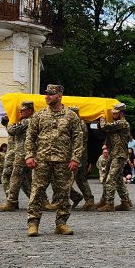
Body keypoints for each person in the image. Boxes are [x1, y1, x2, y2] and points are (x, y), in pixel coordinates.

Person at [24, 84, 86, 236]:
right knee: (37, 191)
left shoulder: (71, 116)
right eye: (46, 94)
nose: (47, 96)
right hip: (42, 160)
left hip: (63, 161)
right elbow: (30, 137)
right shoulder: (39, 115)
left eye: (51, 94)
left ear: (59, 96)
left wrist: (75, 158)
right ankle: (33, 223)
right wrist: (29, 155)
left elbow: (78, 138)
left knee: (63, 193)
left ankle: (61, 223)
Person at [0, 101, 35, 211]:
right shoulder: (25, 120)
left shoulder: (28, 120)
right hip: (22, 153)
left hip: (23, 154)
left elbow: (12, 130)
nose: (20, 111)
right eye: (20, 109)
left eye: (23, 109)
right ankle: (38, 201)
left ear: (30, 110)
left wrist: (9, 122)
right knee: (25, 179)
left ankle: (12, 202)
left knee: (15, 177)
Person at [96, 103, 133, 211]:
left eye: (115, 113)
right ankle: (125, 202)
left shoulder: (122, 123)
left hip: (119, 155)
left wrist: (102, 117)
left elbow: (105, 126)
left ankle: (109, 204)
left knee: (110, 179)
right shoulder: (116, 123)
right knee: (117, 180)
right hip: (113, 154)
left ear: (121, 113)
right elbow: (109, 134)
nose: (113, 114)